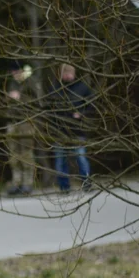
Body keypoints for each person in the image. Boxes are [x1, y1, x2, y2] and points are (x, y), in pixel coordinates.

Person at [47, 64, 93, 193]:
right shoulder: (55, 89)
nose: (67, 76)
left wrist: (82, 113)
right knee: (60, 160)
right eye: (64, 73)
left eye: (69, 73)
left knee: (81, 158)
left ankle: (87, 183)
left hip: (77, 130)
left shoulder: (82, 88)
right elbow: (49, 110)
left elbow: (92, 104)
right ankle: (64, 186)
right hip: (59, 131)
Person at [3, 61, 37, 196]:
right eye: (12, 72)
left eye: (16, 71)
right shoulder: (12, 83)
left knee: (26, 154)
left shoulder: (30, 83)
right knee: (14, 155)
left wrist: (20, 97)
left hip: (26, 122)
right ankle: (16, 182)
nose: (14, 74)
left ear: (22, 71)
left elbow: (37, 101)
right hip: (13, 122)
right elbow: (5, 99)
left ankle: (27, 183)